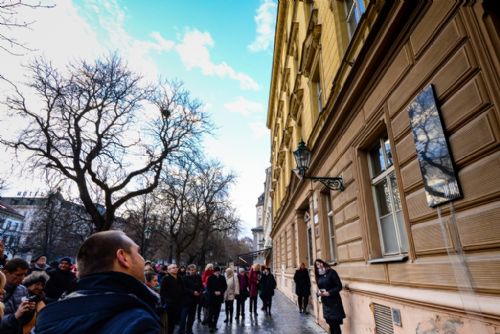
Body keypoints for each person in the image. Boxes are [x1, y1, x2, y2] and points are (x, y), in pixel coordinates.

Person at [35, 230, 161, 333]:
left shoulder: (48, 318)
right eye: (138, 252)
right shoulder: (138, 322)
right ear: (122, 257)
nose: (142, 259)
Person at [1, 258, 36, 334]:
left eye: (24, 274)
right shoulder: (0, 290)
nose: (22, 278)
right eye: (18, 274)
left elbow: (24, 320)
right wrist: (15, 316)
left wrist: (30, 311)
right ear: (5, 272)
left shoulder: (23, 289)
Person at [314, 259, 346, 334]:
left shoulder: (331, 272)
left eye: (320, 263)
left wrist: (329, 293)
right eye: (317, 265)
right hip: (326, 303)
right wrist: (318, 293)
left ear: (323, 263)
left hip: (334, 302)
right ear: (316, 267)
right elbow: (320, 288)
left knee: (336, 325)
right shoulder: (318, 275)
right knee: (330, 325)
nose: (320, 265)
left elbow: (339, 286)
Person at [160, 264, 184, 334]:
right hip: (170, 306)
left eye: (176, 267)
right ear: (168, 270)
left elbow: (183, 290)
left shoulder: (180, 278)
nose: (176, 268)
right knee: (170, 325)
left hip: (179, 305)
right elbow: (162, 293)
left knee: (177, 323)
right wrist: (167, 301)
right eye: (173, 268)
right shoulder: (165, 279)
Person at [179, 264, 202, 334]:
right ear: (188, 270)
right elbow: (183, 288)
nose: (192, 271)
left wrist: (200, 291)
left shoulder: (198, 277)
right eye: (191, 270)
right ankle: (181, 331)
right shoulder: (185, 278)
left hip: (194, 301)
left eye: (194, 270)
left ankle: (189, 330)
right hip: (186, 301)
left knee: (191, 318)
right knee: (183, 318)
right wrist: (192, 292)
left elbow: (201, 286)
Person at [206, 266, 227, 333]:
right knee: (211, 313)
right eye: (216, 272)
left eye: (219, 271)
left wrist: (220, 291)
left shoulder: (222, 277)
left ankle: (214, 325)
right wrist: (214, 292)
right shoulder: (210, 278)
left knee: (217, 313)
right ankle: (210, 326)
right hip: (212, 298)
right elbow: (208, 287)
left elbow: (225, 286)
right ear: (214, 272)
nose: (218, 273)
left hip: (219, 298)